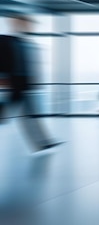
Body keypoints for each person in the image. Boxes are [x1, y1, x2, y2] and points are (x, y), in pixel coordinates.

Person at [0, 15, 63, 152]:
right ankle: (42, 142)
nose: (30, 27)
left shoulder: (23, 41)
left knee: (30, 115)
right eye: (27, 24)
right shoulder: (4, 40)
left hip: (23, 84)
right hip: (13, 83)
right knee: (13, 113)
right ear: (16, 23)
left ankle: (43, 143)